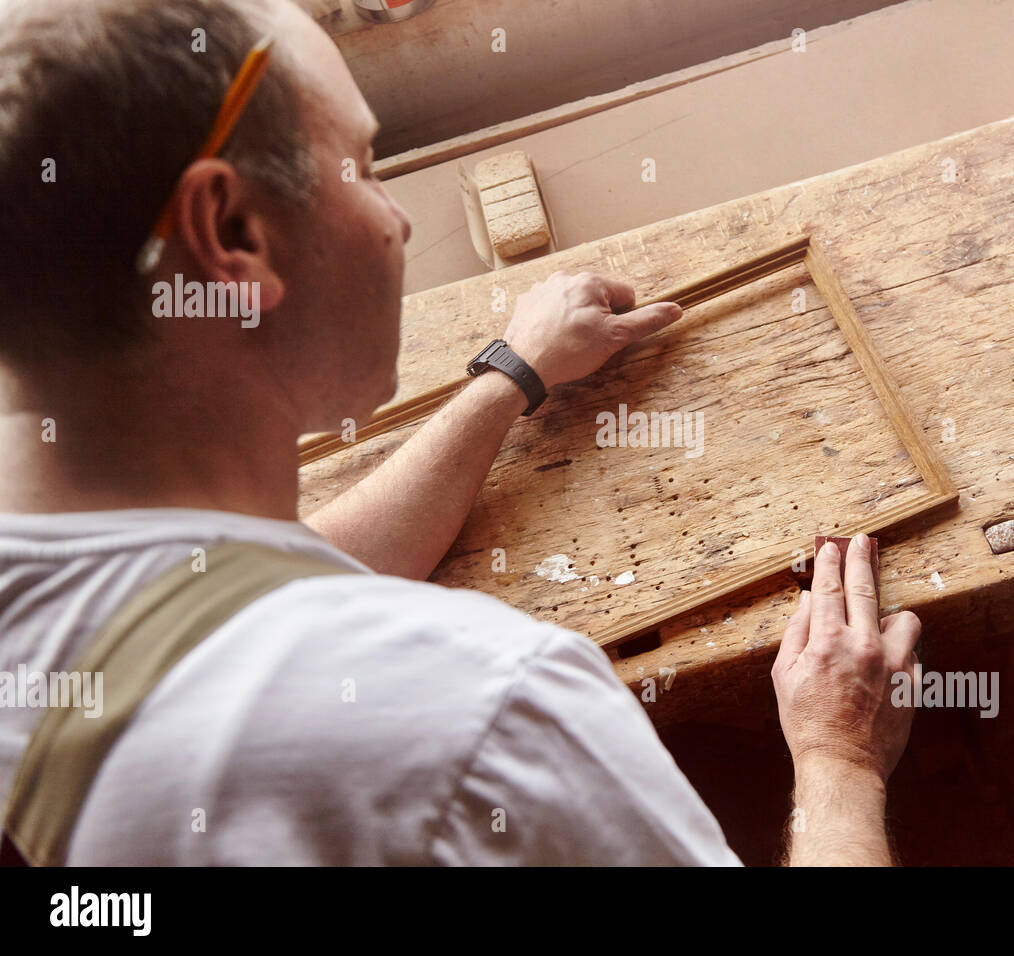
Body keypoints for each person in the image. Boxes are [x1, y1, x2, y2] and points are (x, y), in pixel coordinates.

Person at [0, 0, 920, 865]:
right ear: (233, 231)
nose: (398, 219)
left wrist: (511, 375)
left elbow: (229, 590)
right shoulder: (482, 714)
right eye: (363, 167)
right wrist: (839, 757)